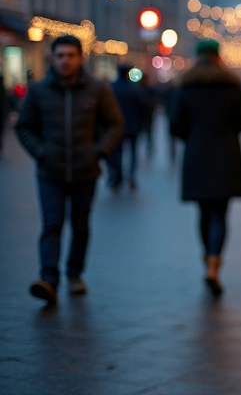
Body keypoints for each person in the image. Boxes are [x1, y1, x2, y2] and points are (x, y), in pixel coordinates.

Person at [15, 35, 124, 306]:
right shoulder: (40, 90)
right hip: (50, 171)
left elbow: (115, 124)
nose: (65, 61)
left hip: (85, 171)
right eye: (60, 55)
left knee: (80, 225)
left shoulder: (97, 89)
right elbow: (24, 125)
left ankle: (75, 273)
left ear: (80, 58)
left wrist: (99, 151)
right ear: (53, 58)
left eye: (70, 55)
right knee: (52, 224)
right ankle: (48, 279)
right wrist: (39, 152)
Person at [170, 39, 241, 297]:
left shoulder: (186, 86)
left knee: (204, 212)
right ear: (218, 57)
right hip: (226, 154)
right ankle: (215, 261)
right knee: (220, 213)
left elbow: (176, 125)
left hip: (197, 154)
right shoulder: (232, 85)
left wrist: (193, 138)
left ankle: (207, 258)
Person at [107, 64, 151, 190]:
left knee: (118, 152)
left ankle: (118, 175)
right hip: (133, 126)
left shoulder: (112, 88)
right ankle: (131, 174)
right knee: (132, 152)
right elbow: (144, 106)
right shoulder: (135, 89)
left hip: (116, 128)